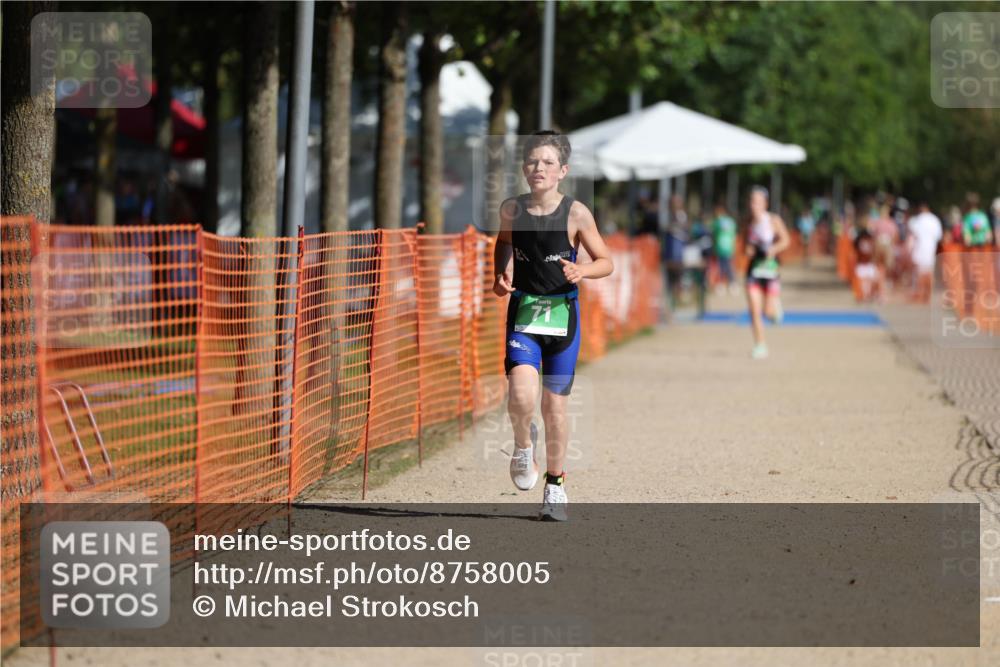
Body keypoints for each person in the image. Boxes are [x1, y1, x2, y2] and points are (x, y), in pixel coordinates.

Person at [493, 131, 614, 521]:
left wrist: (584, 270)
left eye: (547, 162)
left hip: (563, 317)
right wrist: (502, 270)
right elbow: (504, 242)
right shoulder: (512, 209)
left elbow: (605, 260)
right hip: (525, 312)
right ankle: (522, 446)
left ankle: (555, 486)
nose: (538, 168)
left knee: (554, 408)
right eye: (532, 162)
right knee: (521, 396)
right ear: (524, 168)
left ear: (563, 170)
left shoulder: (576, 213)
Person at [744, 186, 791, 360]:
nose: (753, 205)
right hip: (754, 271)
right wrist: (749, 250)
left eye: (757, 202)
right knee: (754, 310)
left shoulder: (773, 220)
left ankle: (775, 311)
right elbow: (745, 245)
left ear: (765, 203)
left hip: (770, 271)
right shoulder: (748, 222)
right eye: (751, 201)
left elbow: (786, 240)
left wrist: (773, 249)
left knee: (767, 312)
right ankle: (760, 345)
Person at [907, 200, 943, 304]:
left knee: (919, 273)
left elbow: (912, 236)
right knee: (929, 273)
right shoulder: (935, 220)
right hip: (930, 249)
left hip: (919, 249)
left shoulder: (918, 220)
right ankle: (928, 295)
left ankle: (921, 295)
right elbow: (938, 236)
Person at [710, 203, 738, 294]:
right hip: (730, 247)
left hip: (720, 247)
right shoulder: (731, 222)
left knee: (721, 267)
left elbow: (713, 234)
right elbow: (734, 235)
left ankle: (722, 284)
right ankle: (732, 284)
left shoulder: (717, 222)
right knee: (729, 266)